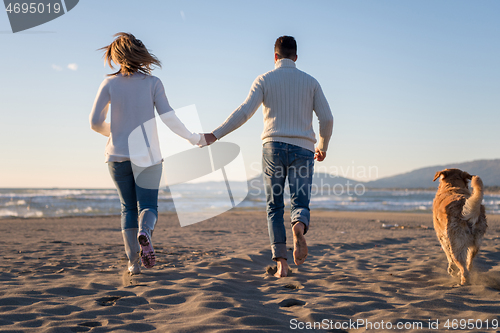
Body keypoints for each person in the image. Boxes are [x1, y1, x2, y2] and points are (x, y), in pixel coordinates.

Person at [201, 36, 333, 278]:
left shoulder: (264, 79)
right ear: (295, 57)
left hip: (272, 147)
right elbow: (327, 118)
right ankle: (298, 226)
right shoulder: (311, 82)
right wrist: (322, 145)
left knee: (274, 206)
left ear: (275, 57)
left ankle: (282, 264)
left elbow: (244, 111)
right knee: (300, 202)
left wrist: (215, 134)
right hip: (303, 149)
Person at [90, 33, 201, 275]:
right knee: (148, 205)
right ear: (140, 54)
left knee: (127, 208)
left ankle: (133, 264)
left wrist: (114, 132)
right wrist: (193, 137)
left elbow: (94, 122)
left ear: (116, 56)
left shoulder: (108, 84)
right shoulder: (153, 83)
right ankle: (145, 232)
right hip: (148, 156)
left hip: (116, 156)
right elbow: (169, 117)